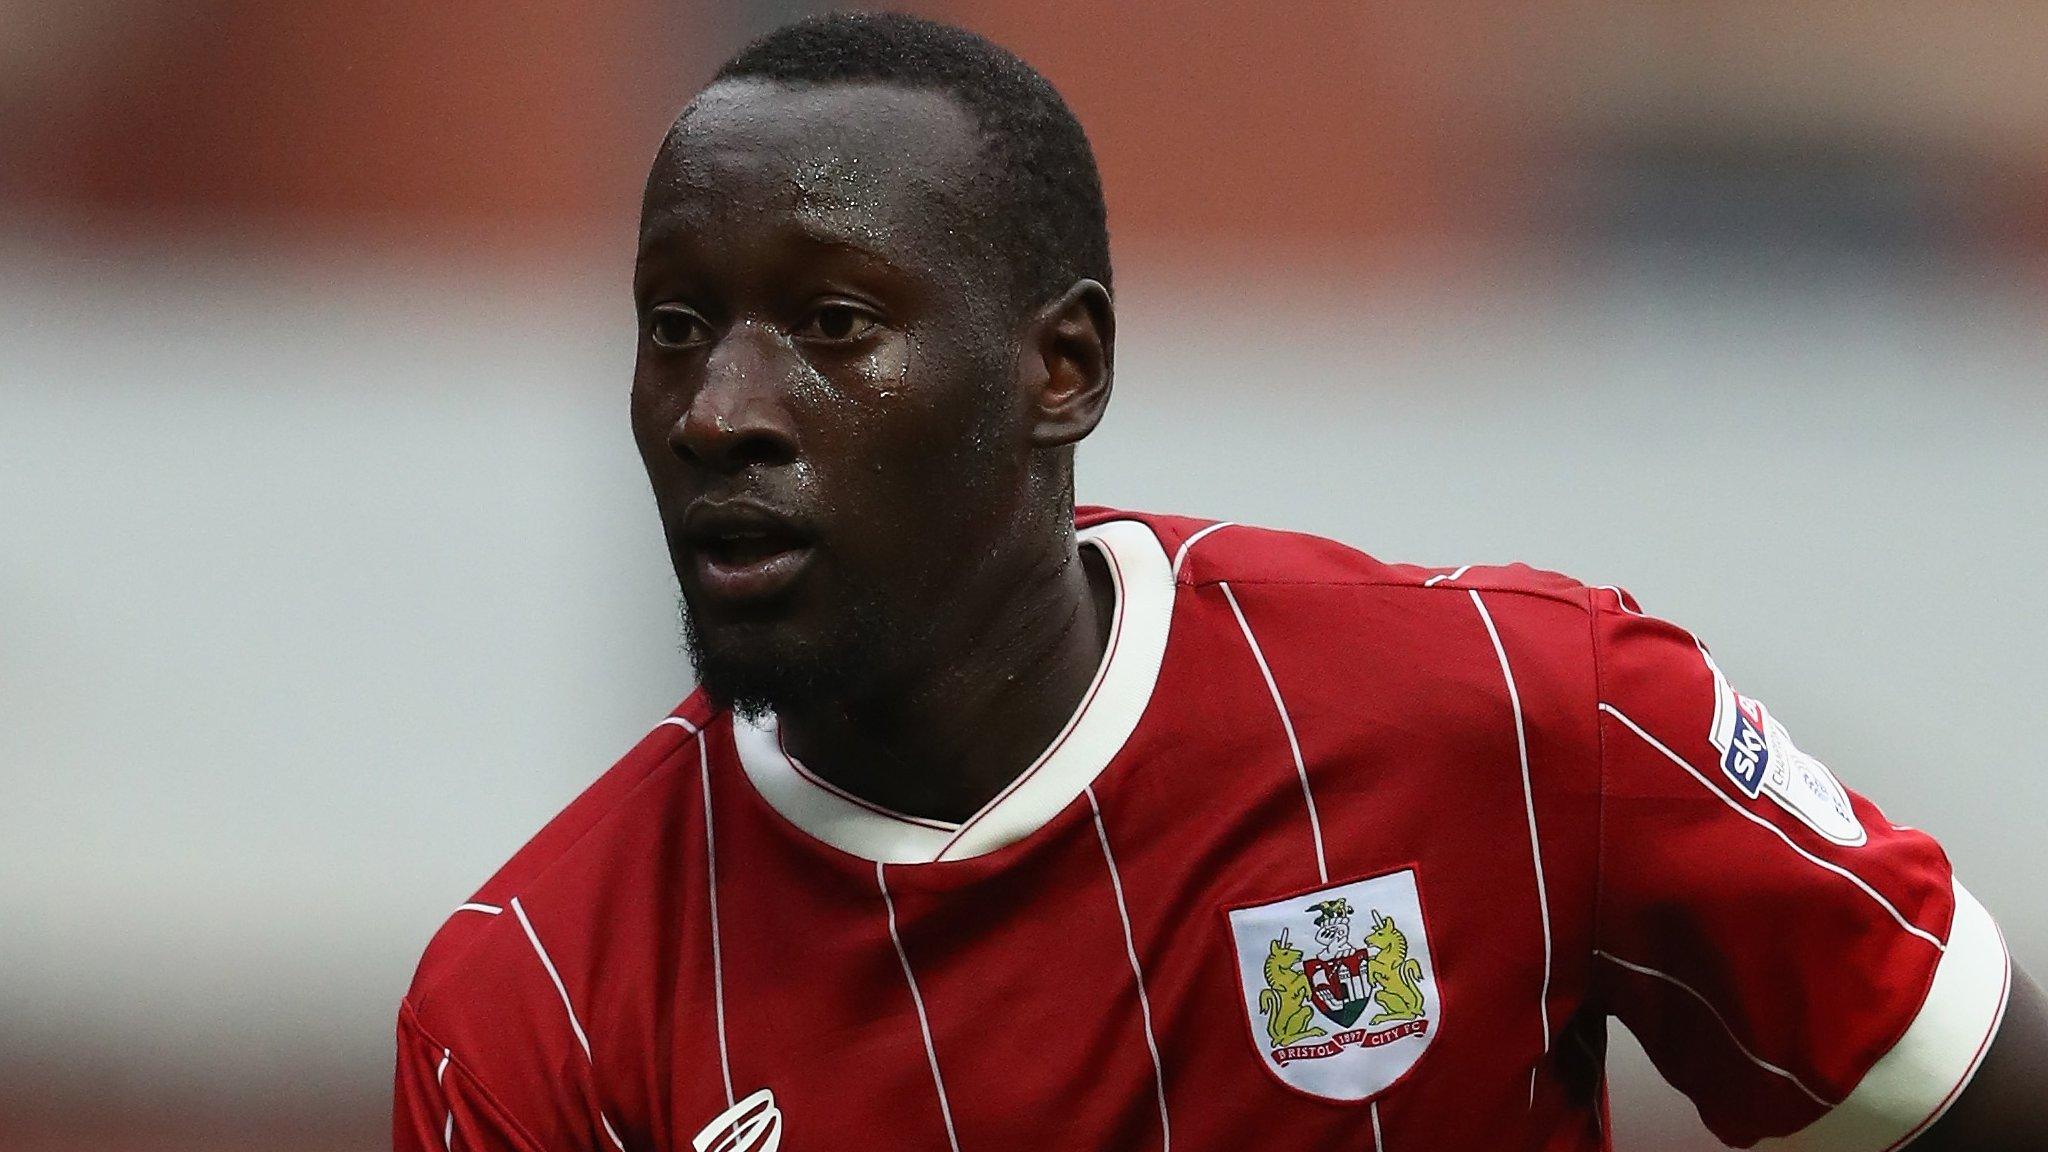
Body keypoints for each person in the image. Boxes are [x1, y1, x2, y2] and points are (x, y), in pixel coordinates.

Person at [392, 13, 2045, 1151]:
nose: (718, 411)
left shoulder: (1525, 716)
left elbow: (1960, 1075)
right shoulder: (534, 1005)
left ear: (1064, 367)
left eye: (833, 326)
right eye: (673, 327)